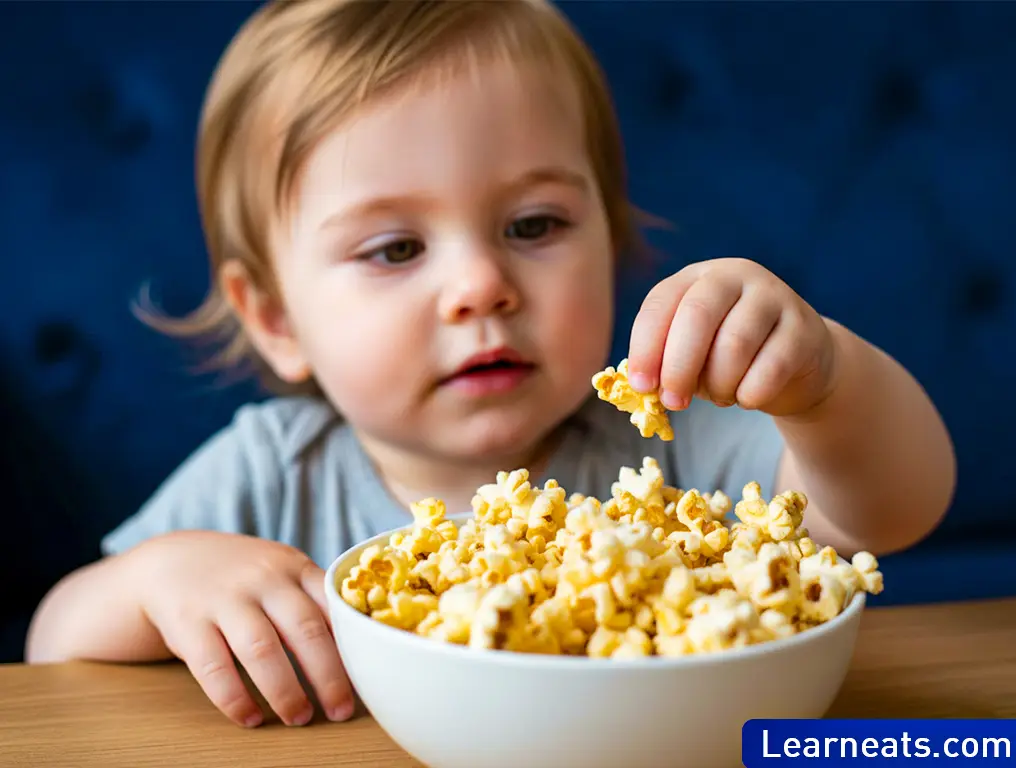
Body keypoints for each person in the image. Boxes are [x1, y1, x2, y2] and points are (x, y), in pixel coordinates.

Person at [26, 0, 956, 731]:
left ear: (612, 243)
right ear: (276, 319)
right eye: (394, 250)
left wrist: (825, 382)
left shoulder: (674, 450)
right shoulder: (272, 474)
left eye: (534, 226)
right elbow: (52, 652)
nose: (481, 285)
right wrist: (158, 581)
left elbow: (891, 511)